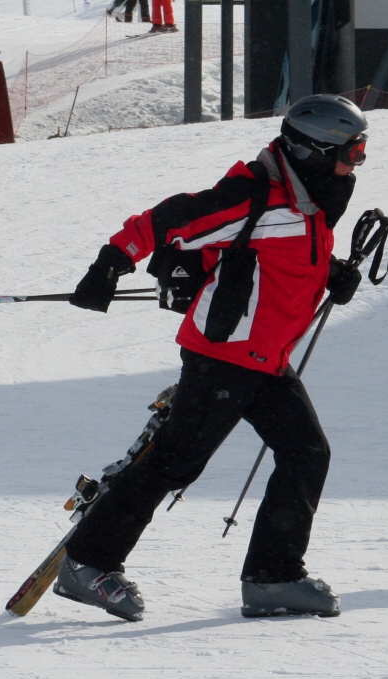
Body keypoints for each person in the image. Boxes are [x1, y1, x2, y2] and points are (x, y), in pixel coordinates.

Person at [55, 94, 369, 622]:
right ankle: (87, 563)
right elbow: (172, 218)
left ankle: (273, 578)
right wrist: (111, 261)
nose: (355, 164)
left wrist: (331, 273)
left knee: (306, 453)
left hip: (265, 359)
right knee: (177, 463)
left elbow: (282, 255)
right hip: (222, 355)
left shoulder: (308, 200)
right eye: (351, 153)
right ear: (314, 151)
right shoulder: (253, 195)